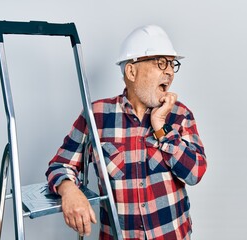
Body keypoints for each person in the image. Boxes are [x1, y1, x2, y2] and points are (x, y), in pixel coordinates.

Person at [46, 24, 207, 240]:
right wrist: (69, 190)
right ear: (131, 71)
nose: (169, 71)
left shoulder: (179, 115)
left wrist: (162, 129)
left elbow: (195, 173)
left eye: (172, 64)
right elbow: (60, 165)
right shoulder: (97, 116)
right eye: (161, 62)